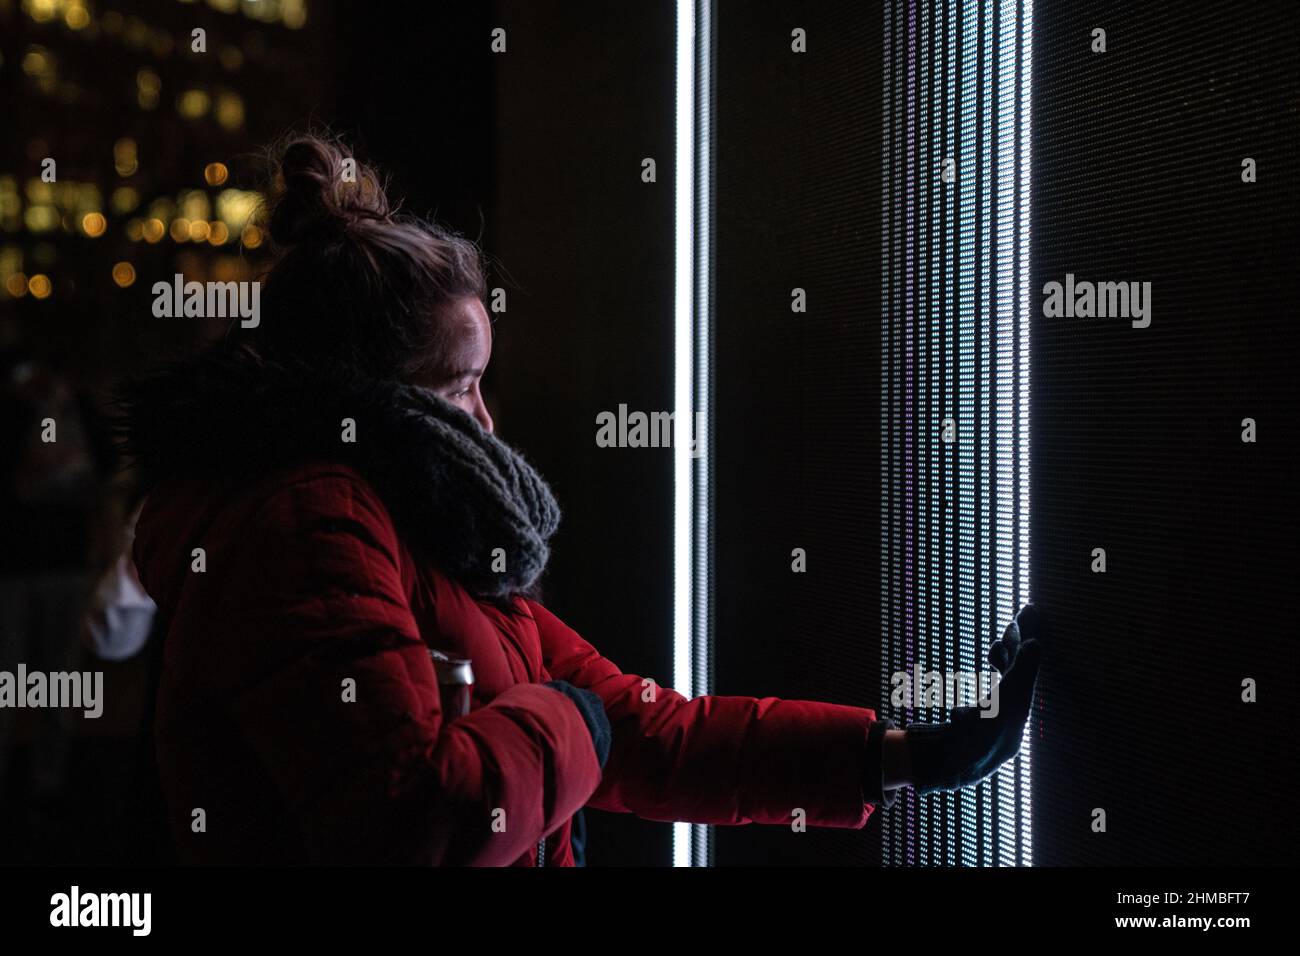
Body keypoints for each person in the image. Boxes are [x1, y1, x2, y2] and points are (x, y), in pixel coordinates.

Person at [117, 133, 1042, 866]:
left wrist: (906, 754)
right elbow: (412, 824)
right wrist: (574, 722)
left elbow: (650, 731)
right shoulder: (311, 522)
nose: (485, 420)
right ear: (364, 394)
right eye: (455, 390)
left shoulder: (420, 521)